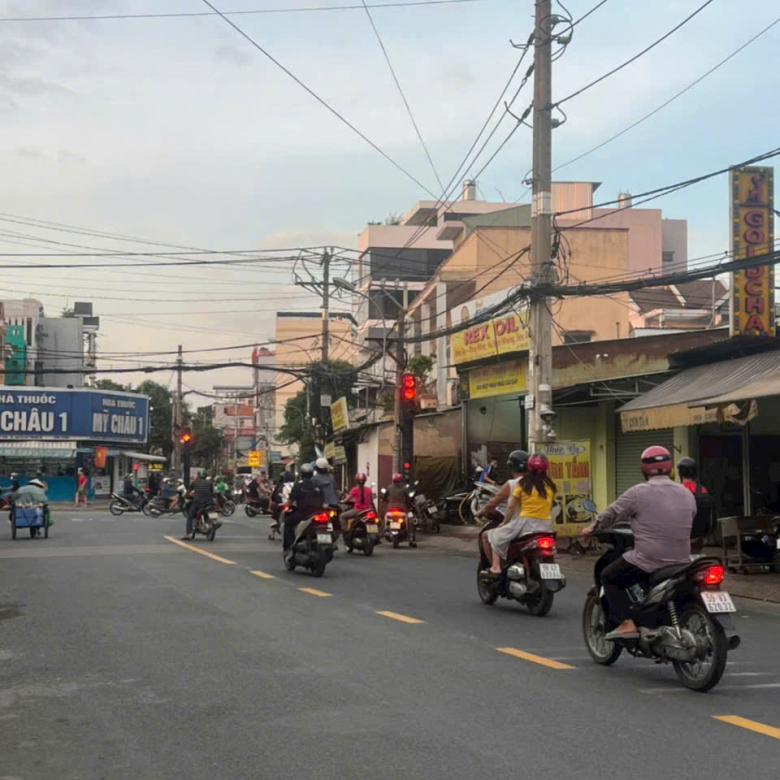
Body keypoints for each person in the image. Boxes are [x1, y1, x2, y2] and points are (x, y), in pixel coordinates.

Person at [583, 446, 695, 641]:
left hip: (649, 560)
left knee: (608, 576)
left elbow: (612, 513)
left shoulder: (638, 492)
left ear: (644, 469)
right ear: (670, 468)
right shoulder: (686, 494)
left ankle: (627, 624)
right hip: (682, 560)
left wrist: (591, 528)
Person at [482, 453, 555, 576]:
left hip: (525, 523)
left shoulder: (522, 483)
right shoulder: (550, 485)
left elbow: (510, 507)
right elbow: (550, 506)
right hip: (546, 525)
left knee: (495, 536)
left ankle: (495, 567)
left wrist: (504, 523)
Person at [476, 449, 529, 558]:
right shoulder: (539, 483)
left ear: (510, 466)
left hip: (518, 525)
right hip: (543, 526)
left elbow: (499, 504)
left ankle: (495, 566)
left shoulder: (512, 484)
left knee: (488, 536)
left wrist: (482, 511)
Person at [677, 457, 715, 552]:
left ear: (679, 473)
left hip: (679, 539)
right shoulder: (703, 490)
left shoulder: (676, 491)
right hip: (699, 539)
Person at [284, 463, 324, 552]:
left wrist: (286, 506)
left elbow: (291, 500)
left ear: (301, 474)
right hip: (318, 512)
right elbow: (323, 498)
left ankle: (290, 546)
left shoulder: (299, 485)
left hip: (304, 513)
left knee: (288, 523)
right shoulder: (318, 485)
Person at [382, 472, 416, 547]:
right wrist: (409, 505)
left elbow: (384, 498)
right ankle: (411, 539)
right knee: (410, 520)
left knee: (384, 518)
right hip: (402, 508)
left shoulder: (389, 487)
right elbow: (408, 499)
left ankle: (380, 534)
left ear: (393, 480)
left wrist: (386, 502)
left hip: (390, 508)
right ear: (400, 480)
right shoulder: (404, 488)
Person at [312, 458, 341, 544]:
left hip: (319, 505)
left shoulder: (314, 479)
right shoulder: (331, 477)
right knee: (338, 521)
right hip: (333, 505)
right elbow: (335, 490)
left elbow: (313, 492)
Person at [184, 468, 213, 540]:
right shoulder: (209, 483)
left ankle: (188, 534)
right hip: (208, 503)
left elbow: (188, 492)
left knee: (190, 517)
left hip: (197, 502)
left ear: (199, 475)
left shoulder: (195, 482)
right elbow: (212, 492)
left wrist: (186, 496)